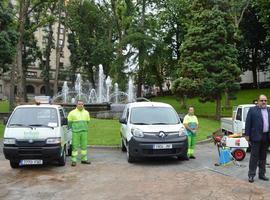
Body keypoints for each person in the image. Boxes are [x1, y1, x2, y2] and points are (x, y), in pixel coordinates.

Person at [245, 94, 270, 183]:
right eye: (262, 100)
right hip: (255, 137)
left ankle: (262, 174)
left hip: (266, 137)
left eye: (265, 100)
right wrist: (247, 135)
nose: (264, 102)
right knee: (254, 157)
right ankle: (251, 175)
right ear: (258, 101)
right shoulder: (252, 110)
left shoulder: (269, 110)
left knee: (263, 157)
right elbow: (248, 123)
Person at [68, 100, 91, 166]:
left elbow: (88, 121)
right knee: (75, 146)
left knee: (84, 146)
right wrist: (72, 129)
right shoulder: (72, 113)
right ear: (76, 105)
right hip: (75, 132)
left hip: (84, 131)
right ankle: (74, 161)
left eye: (82, 104)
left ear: (83, 105)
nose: (80, 105)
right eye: (79, 104)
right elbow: (69, 123)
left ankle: (84, 159)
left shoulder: (86, 112)